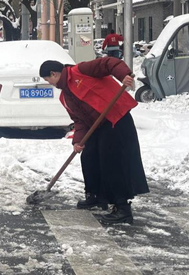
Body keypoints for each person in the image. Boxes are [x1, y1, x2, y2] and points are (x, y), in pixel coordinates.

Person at [39, 58, 149, 225]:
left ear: (54, 74)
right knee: (89, 157)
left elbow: (109, 63)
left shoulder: (81, 71)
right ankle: (96, 196)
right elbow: (79, 120)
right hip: (97, 126)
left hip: (115, 118)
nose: (50, 83)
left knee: (112, 162)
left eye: (48, 80)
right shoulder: (65, 97)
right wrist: (78, 141)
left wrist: (123, 75)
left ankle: (122, 208)